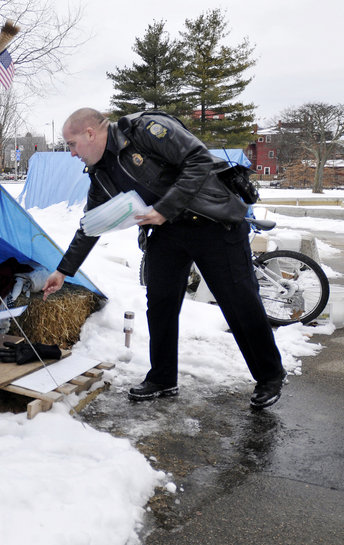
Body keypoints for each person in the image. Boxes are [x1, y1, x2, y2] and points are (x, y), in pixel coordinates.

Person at [42, 108, 286, 410]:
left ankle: (270, 376)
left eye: (71, 144)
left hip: (212, 221)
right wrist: (63, 271)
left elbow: (197, 160)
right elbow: (92, 224)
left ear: (90, 133)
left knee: (239, 300)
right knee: (160, 304)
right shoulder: (101, 173)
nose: (71, 153)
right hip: (167, 233)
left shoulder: (145, 130)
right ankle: (162, 377)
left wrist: (164, 208)